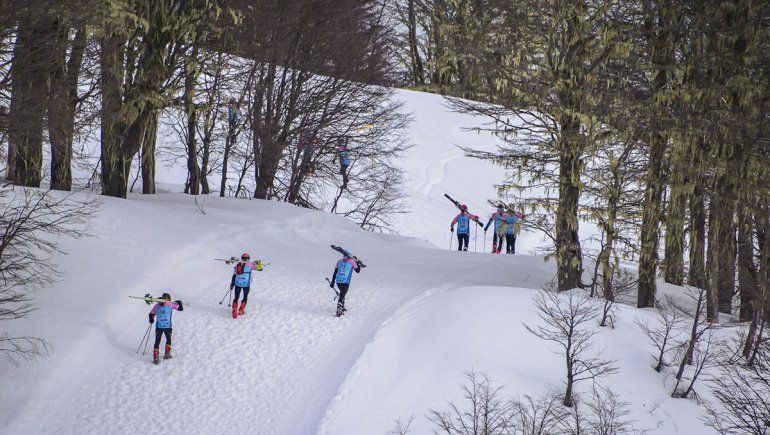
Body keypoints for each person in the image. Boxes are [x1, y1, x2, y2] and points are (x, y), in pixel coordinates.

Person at [148, 293, 183, 365]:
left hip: (159, 326)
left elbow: (151, 314)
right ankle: (167, 354)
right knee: (168, 339)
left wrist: (151, 319)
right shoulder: (170, 304)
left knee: (157, 341)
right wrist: (180, 303)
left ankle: (156, 358)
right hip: (168, 326)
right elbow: (181, 309)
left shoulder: (157, 305)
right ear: (169, 299)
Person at [230, 252, 264, 319]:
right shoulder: (251, 265)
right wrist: (259, 263)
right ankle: (241, 310)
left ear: (242, 258)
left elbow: (234, 275)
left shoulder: (237, 265)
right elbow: (260, 269)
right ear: (248, 259)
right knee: (245, 297)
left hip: (237, 283)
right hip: (246, 284)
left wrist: (232, 284)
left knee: (236, 297)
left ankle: (234, 309)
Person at [329, 249, 361, 316]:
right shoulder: (352, 261)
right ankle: (339, 310)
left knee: (342, 293)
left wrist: (332, 282)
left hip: (338, 281)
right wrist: (358, 263)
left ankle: (342, 307)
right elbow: (358, 271)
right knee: (342, 294)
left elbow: (335, 273)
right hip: (345, 281)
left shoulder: (339, 261)